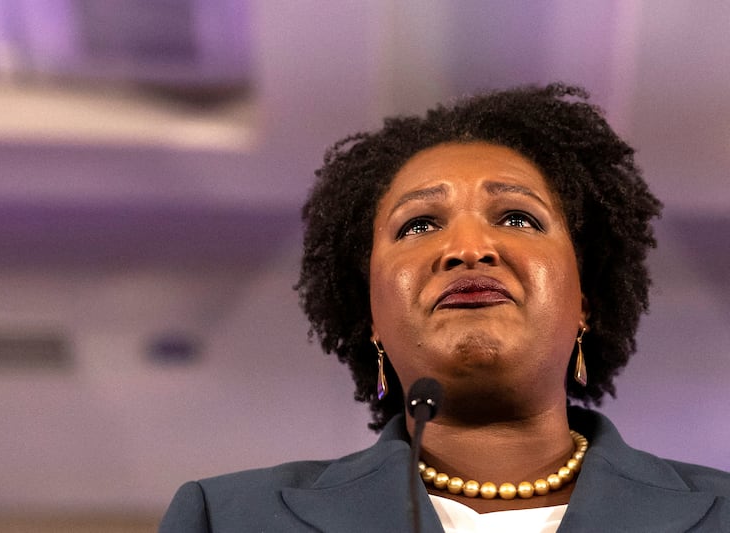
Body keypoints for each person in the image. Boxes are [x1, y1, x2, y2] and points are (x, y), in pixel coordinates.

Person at [159, 83, 730, 532]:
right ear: (372, 319)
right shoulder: (228, 517)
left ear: (586, 303)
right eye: (420, 224)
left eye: (516, 217)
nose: (468, 249)